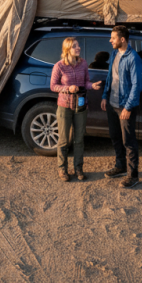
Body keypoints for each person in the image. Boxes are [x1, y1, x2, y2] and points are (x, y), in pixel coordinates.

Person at [50, 37, 104, 182]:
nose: (78, 48)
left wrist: (92, 86)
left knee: (79, 139)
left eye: (78, 45)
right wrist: (68, 89)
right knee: (63, 140)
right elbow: (53, 86)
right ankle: (62, 169)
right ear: (67, 49)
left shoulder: (83, 63)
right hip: (64, 106)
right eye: (75, 46)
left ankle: (78, 168)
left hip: (80, 106)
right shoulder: (59, 66)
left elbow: (85, 82)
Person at [100, 25, 142, 188]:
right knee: (115, 136)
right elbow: (110, 77)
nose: (110, 40)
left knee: (129, 141)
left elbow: (136, 85)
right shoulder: (114, 54)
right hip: (112, 103)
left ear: (122, 39)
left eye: (113, 38)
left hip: (125, 106)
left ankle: (133, 175)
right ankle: (120, 166)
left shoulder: (133, 58)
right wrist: (105, 95)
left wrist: (128, 107)